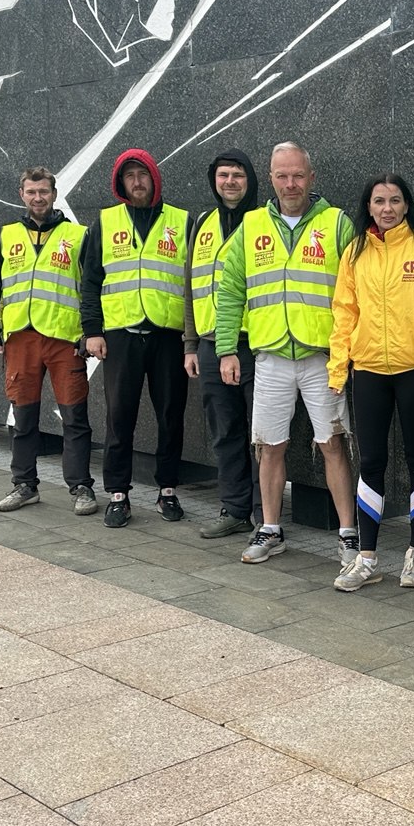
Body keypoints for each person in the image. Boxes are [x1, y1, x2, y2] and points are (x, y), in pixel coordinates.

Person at [213, 142, 359, 566]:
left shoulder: (337, 224)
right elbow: (230, 291)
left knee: (333, 443)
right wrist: (226, 349)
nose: (290, 184)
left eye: (297, 175)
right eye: (282, 176)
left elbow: (356, 291)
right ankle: (271, 528)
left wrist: (348, 352)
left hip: (322, 358)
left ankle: (349, 533)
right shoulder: (252, 225)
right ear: (271, 179)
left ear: (312, 177)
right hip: (271, 356)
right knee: (269, 446)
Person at [327, 175, 414, 591]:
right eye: (379, 201)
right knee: (371, 463)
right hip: (369, 371)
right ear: (369, 206)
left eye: (395, 200)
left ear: (407, 204)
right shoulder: (355, 251)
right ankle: (366, 558)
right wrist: (338, 368)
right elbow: (345, 312)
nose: (387, 208)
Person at [79, 148, 191, 528]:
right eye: (130, 176)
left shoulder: (181, 221)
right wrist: (92, 331)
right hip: (120, 336)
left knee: (171, 416)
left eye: (142, 174)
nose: (137, 182)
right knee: (119, 418)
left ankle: (167, 491)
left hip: (168, 335)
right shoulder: (105, 222)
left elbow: (194, 281)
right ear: (120, 182)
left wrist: (191, 339)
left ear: (154, 178)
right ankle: (118, 495)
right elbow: (90, 281)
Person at [0, 166, 96, 516]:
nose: (38, 198)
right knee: (23, 418)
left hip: (64, 339)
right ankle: (24, 485)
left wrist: (90, 331)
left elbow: (91, 288)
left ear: (54, 194)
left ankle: (81, 487)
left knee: (74, 418)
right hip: (20, 339)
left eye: (43, 191)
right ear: (21, 194)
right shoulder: (8, 235)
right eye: (31, 192)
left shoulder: (78, 235)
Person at [183, 149, 262, 538]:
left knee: (263, 435)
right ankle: (234, 508)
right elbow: (190, 286)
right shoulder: (202, 223)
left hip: (256, 344)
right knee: (224, 432)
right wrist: (190, 344)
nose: (230, 182)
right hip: (212, 346)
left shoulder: (263, 222)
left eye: (238, 175)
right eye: (223, 175)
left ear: (251, 180)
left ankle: (266, 515)